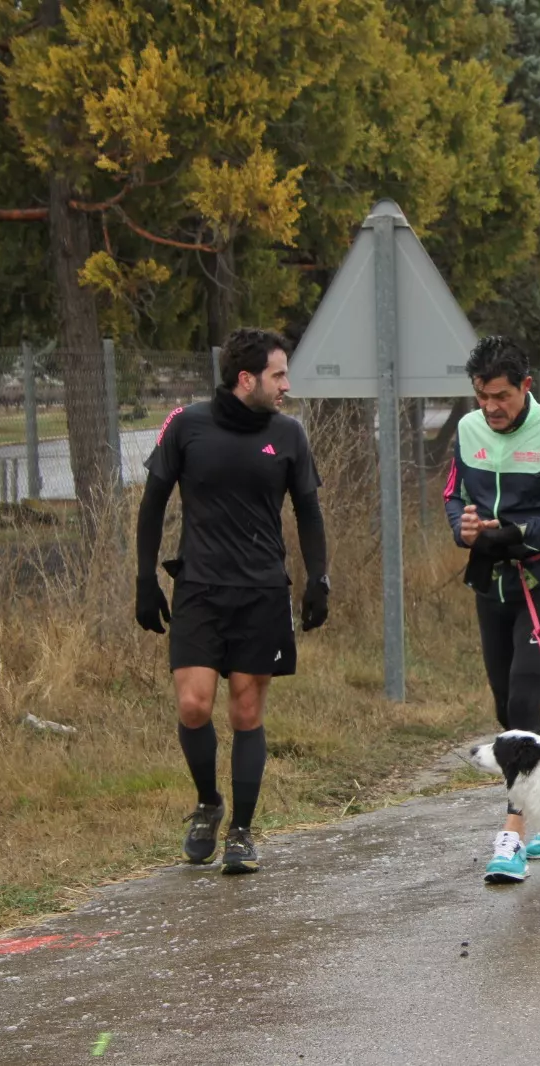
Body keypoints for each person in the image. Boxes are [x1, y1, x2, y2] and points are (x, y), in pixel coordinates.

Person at [135, 327, 329, 876]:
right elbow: (153, 502)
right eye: (278, 375)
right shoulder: (186, 424)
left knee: (246, 711)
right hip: (199, 588)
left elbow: (308, 511)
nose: (286, 385)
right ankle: (208, 804)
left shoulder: (288, 434)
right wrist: (145, 578)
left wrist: (318, 578)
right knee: (194, 706)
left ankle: (242, 831)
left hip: (262, 592)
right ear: (247, 379)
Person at [443, 336, 540, 884]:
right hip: (492, 580)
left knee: (526, 687)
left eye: (502, 396)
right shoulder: (468, 430)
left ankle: (512, 834)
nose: (491, 407)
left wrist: (522, 531)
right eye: (482, 396)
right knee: (507, 703)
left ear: (526, 386)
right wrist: (462, 527)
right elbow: (453, 495)